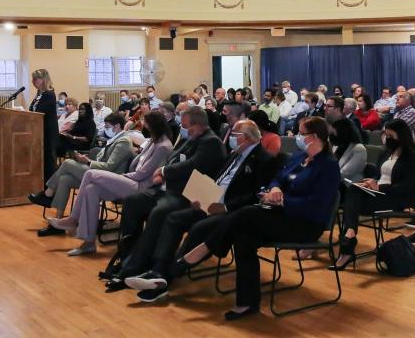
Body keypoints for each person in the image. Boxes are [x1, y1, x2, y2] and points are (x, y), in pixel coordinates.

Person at [178, 117, 339, 320]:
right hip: (281, 215)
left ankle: (204, 249)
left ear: (314, 137)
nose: (297, 137)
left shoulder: (329, 166)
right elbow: (278, 178)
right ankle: (247, 302)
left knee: (247, 213)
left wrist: (282, 201)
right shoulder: (299, 157)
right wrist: (275, 188)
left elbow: (317, 205)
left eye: (301, 133)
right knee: (244, 235)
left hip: (305, 223)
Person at [117, 120, 284, 299]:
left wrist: (225, 207)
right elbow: (218, 180)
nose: (231, 139)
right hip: (210, 202)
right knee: (173, 219)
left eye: (234, 136)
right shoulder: (235, 154)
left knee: (199, 228)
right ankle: (157, 268)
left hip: (233, 211)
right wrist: (201, 196)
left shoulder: (265, 160)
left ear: (247, 138)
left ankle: (165, 277)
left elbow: (255, 194)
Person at [101, 107, 227, 288]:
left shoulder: (211, 142)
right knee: (133, 202)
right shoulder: (191, 138)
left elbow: (191, 165)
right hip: (168, 188)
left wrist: (163, 171)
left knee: (159, 212)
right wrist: (164, 170)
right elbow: (174, 158)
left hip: (187, 194)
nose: (183, 129)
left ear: (198, 125)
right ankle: (128, 253)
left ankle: (138, 264)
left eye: (186, 126)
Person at [47, 114, 173, 254]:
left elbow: (143, 174)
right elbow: (138, 166)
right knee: (91, 189)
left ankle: (73, 219)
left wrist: (122, 176)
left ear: (154, 124)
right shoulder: (153, 141)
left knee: (90, 174)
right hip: (133, 180)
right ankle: (88, 242)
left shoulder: (163, 146)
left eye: (145, 122)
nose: (143, 124)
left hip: (142, 186)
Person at [332, 118, 415, 270]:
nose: (387, 139)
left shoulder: (412, 156)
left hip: (397, 197)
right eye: (386, 135)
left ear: (401, 136)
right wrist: (370, 182)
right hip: (378, 192)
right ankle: (350, 234)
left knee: (352, 201)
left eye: (391, 135)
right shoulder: (387, 153)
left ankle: (348, 242)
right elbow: (379, 175)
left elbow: (407, 187)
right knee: (354, 188)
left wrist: (380, 187)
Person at [32, 113, 143, 233]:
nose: (105, 129)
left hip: (109, 177)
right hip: (99, 171)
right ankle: (58, 222)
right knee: (65, 179)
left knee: (67, 163)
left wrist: (88, 162)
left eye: (107, 126)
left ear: (117, 126)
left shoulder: (124, 141)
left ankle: (48, 194)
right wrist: (86, 160)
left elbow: (109, 167)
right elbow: (103, 160)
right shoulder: (116, 138)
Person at [30, 69, 62, 182]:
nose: (32, 81)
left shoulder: (49, 94)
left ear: (43, 79)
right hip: (39, 131)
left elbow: (40, 111)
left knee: (48, 162)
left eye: (35, 79)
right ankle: (41, 186)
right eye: (32, 79)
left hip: (48, 132)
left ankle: (49, 189)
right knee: (41, 161)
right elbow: (32, 109)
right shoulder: (39, 94)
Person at [331, 117, 367, 182]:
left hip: (347, 184)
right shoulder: (337, 145)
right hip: (333, 180)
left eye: (334, 133)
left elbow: (346, 173)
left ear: (342, 132)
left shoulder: (359, 149)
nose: (332, 135)